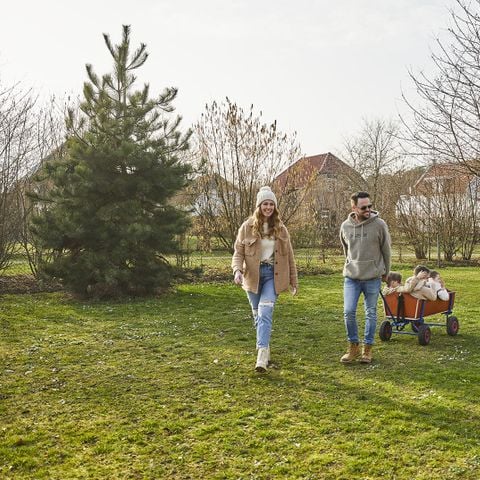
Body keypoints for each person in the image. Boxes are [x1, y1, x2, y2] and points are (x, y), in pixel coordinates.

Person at [232, 186, 298, 373]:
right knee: (257, 315)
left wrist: (294, 281)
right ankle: (265, 346)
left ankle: (261, 354)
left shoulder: (281, 229)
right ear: (259, 206)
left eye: (271, 204)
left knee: (265, 311)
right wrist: (237, 270)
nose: (268, 207)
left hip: (273, 276)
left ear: (275, 207)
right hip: (252, 277)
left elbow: (290, 257)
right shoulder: (247, 227)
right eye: (264, 204)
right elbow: (238, 253)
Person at [340, 191, 391, 364]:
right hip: (351, 278)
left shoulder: (379, 225)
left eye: (370, 206)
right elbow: (346, 250)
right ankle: (353, 346)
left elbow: (386, 251)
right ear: (354, 207)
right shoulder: (345, 226)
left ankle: (367, 349)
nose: (368, 209)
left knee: (371, 313)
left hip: (373, 277)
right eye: (364, 207)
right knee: (348, 312)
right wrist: (350, 265)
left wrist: (386, 272)